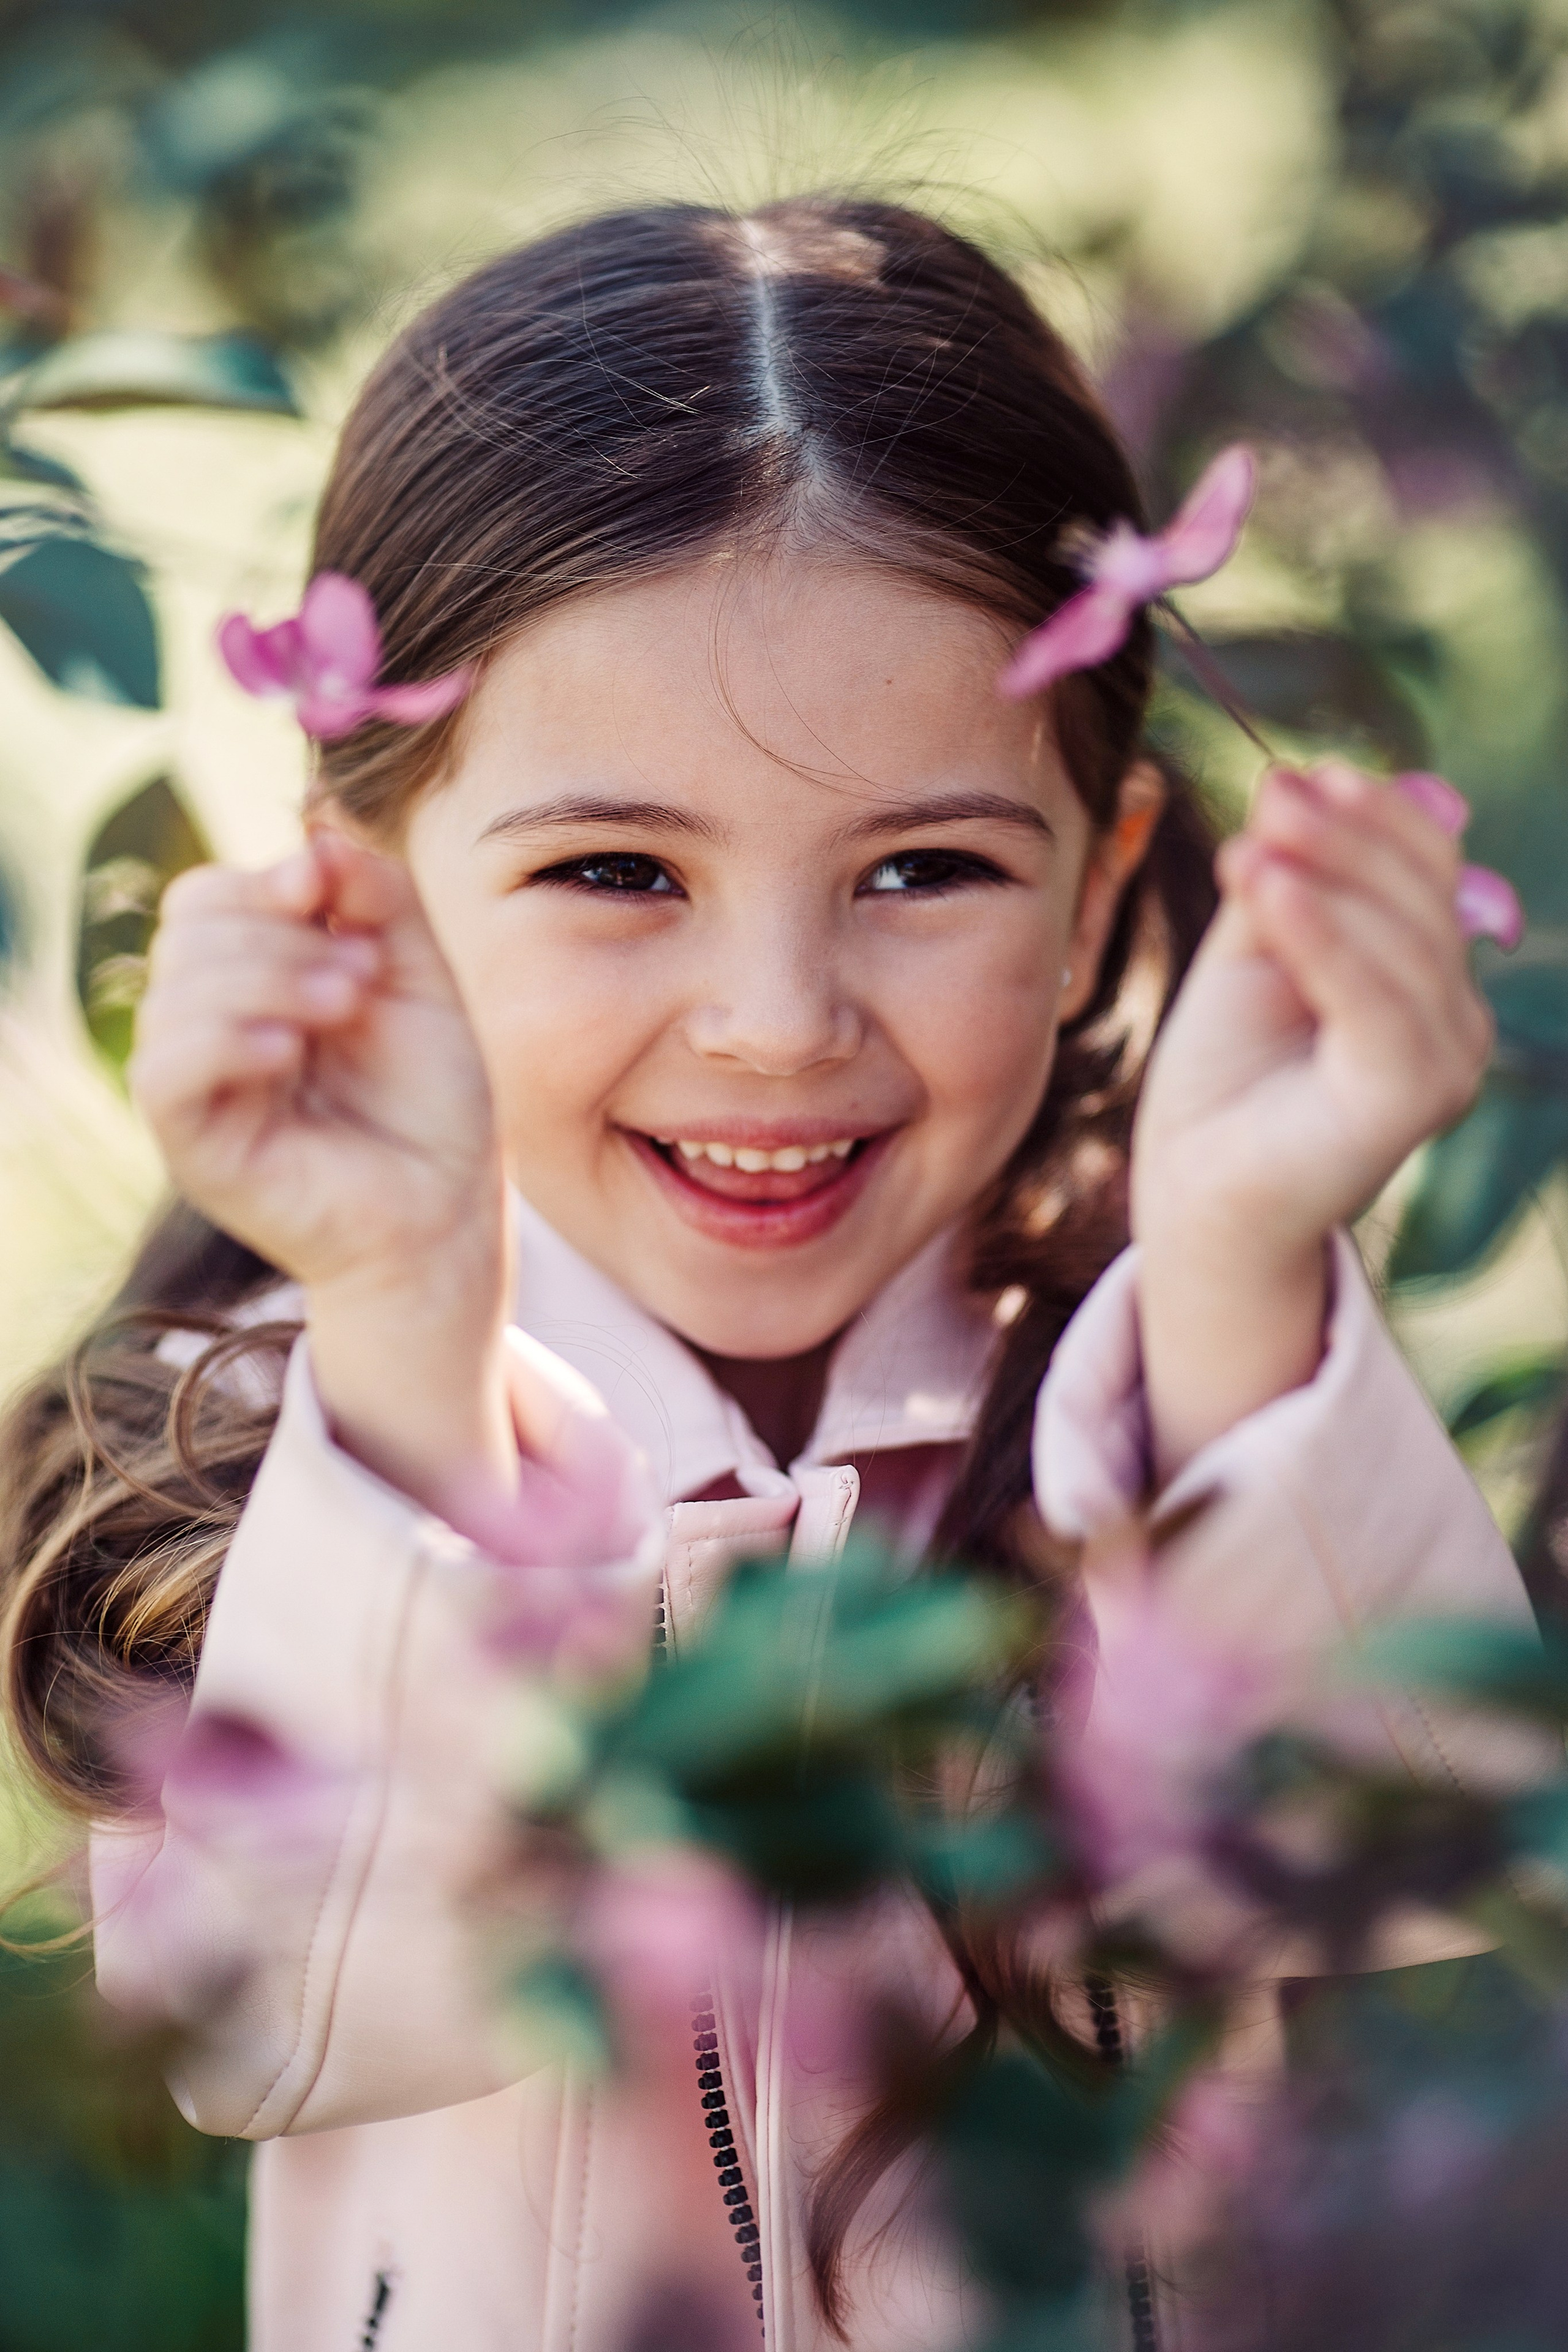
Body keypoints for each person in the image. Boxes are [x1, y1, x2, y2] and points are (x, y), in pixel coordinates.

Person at [0, 197, 1539, 2352]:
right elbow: (262, 2025)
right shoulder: (307, 1424)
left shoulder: (1150, 1395)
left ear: (1095, 893)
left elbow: (1400, 1889)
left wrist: (1239, 1263)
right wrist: (414, 1343)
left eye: (923, 868)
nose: (777, 1022)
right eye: (618, 870)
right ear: (369, 884)